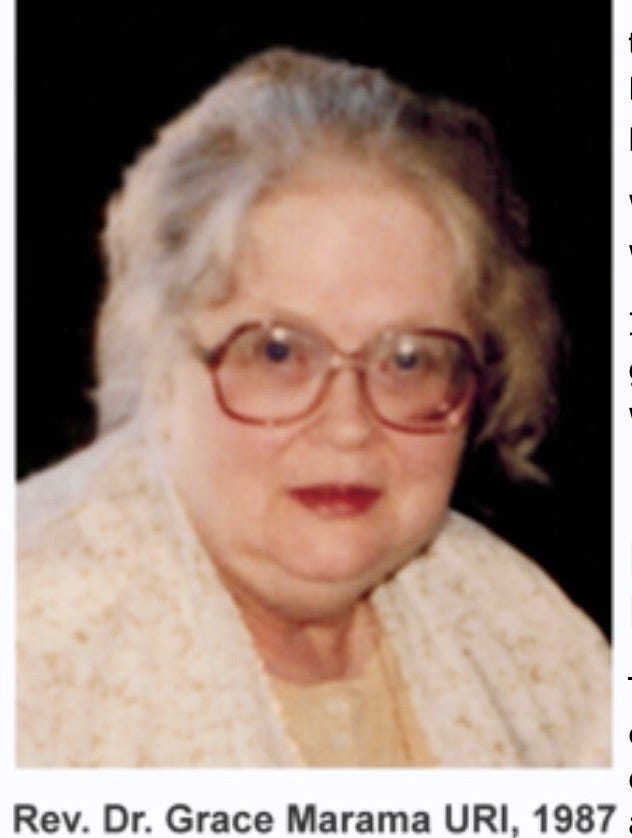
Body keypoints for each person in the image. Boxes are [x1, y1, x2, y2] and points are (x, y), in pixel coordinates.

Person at [17, 47, 610, 767]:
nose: (349, 427)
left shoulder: (522, 629)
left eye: (409, 360)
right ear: (161, 368)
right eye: (278, 353)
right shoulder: (31, 639)